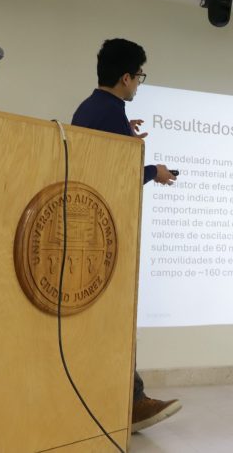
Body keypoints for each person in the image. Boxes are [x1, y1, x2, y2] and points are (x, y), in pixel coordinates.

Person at [72, 38, 181, 433]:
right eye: (139, 77)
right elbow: (119, 175)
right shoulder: (109, 112)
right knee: (116, 320)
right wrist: (155, 171)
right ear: (125, 78)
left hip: (92, 232)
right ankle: (132, 402)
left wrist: (125, 137)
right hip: (105, 237)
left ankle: (117, 401)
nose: (138, 84)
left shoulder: (92, 108)